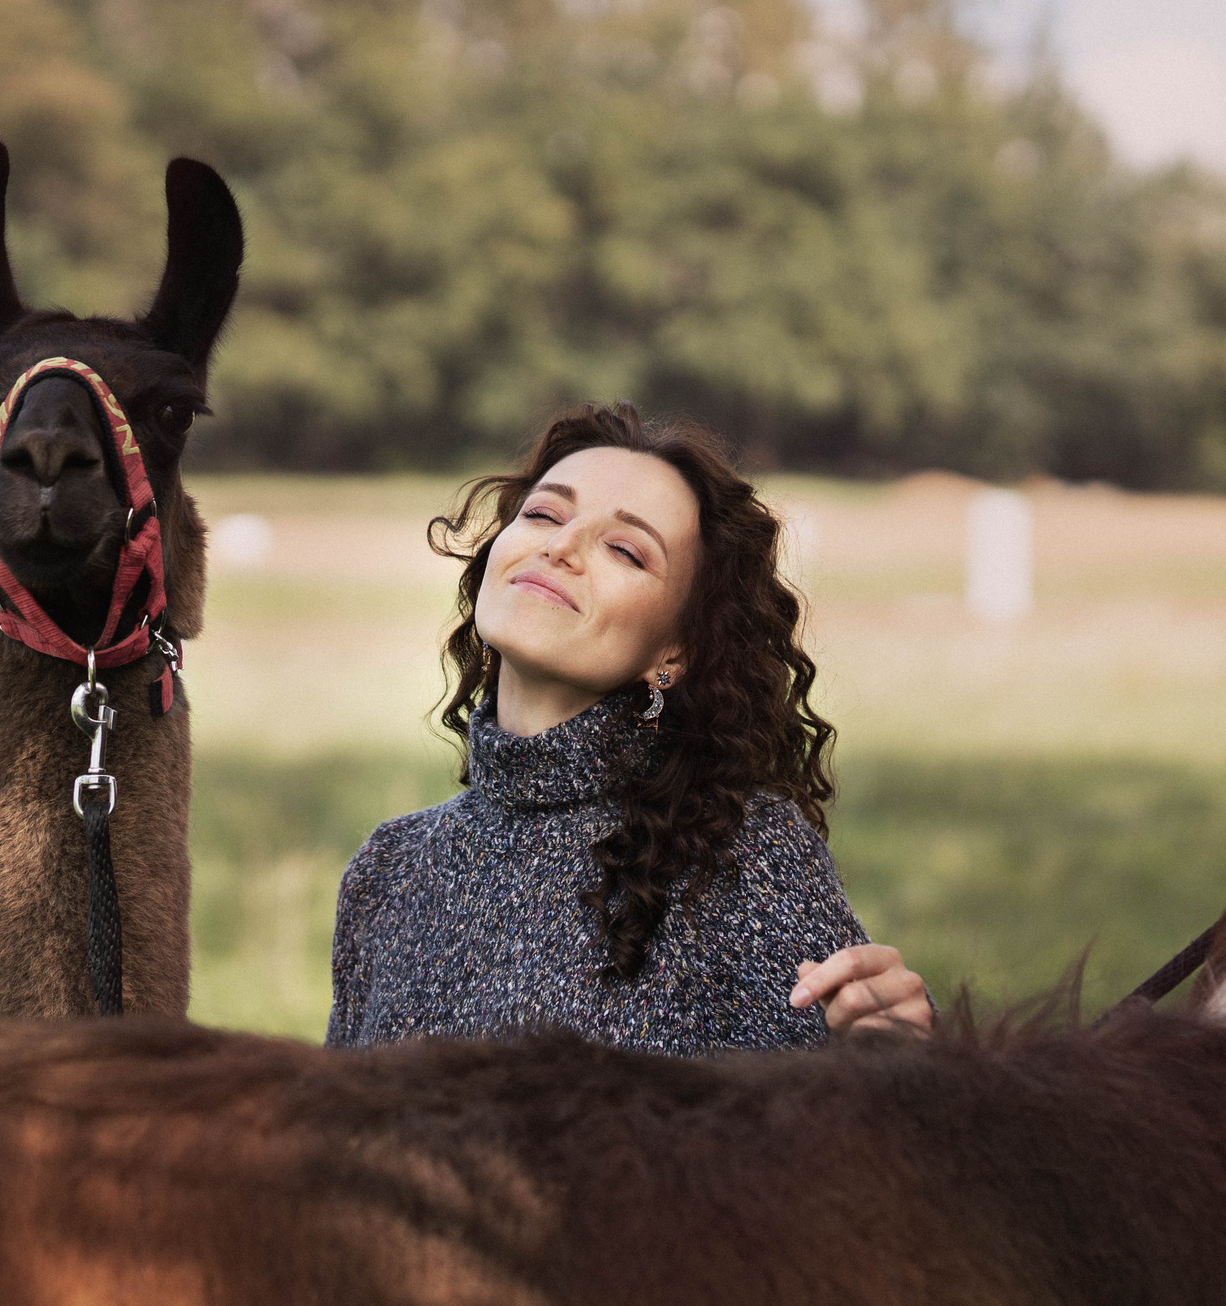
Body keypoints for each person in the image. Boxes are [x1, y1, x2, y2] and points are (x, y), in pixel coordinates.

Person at [325, 402, 931, 1054]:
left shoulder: (742, 858)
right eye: (543, 514)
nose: (560, 547)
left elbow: (850, 1097)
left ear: (675, 650)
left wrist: (901, 1049)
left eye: (624, 549)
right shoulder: (388, 869)